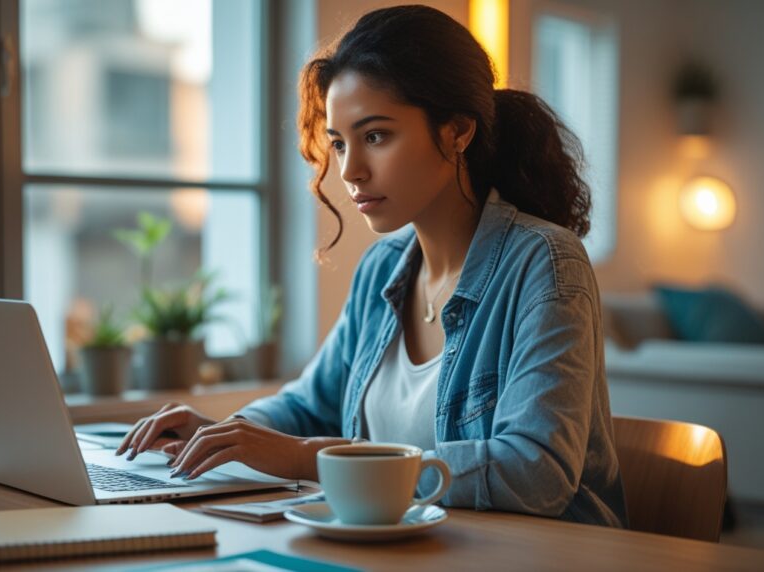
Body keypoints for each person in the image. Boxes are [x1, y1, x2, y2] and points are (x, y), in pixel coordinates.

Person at [117, 4, 627, 527]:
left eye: (376, 136)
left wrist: (312, 458)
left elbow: (536, 472)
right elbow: (310, 405)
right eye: (338, 143)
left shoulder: (544, 263)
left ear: (457, 132)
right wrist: (225, 432)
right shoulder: (383, 267)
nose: (351, 170)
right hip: (409, 554)